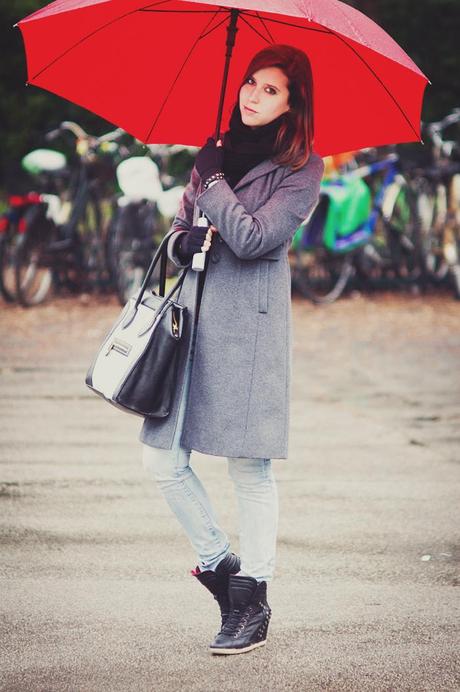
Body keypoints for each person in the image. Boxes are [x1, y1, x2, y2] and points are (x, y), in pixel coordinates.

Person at [140, 44, 324, 655]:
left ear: (293, 104)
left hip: (248, 328)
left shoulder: (303, 169)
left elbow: (251, 239)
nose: (252, 96)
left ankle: (253, 595)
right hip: (190, 323)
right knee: (162, 462)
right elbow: (174, 241)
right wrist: (191, 224)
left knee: (250, 467)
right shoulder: (209, 154)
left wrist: (215, 186)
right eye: (250, 83)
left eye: (271, 90)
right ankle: (222, 571)